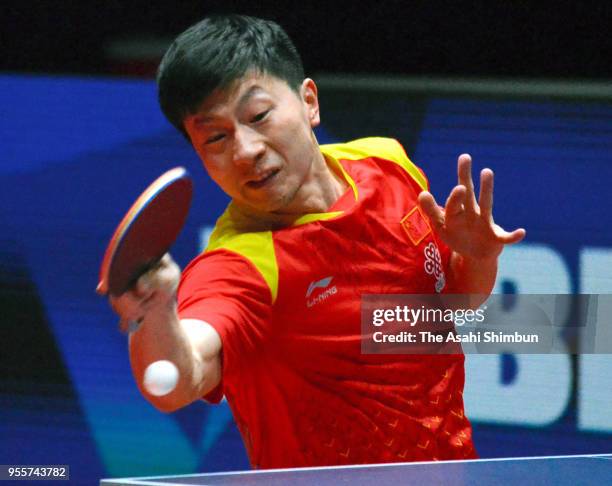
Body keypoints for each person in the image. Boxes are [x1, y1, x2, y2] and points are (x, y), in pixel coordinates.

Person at [110, 14, 525, 468]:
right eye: (215, 137)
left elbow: (451, 306)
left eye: (259, 116)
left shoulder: (386, 161)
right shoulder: (240, 267)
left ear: (309, 101)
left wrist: (478, 257)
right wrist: (152, 315)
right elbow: (177, 379)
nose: (245, 150)